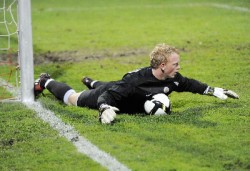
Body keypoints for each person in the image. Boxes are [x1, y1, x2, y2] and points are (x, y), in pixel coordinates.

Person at [34, 43, 239, 124]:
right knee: (73, 99)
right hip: (111, 93)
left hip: (120, 89)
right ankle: (46, 80)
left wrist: (214, 90)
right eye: (175, 64)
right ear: (161, 66)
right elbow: (109, 96)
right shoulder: (134, 82)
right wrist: (103, 108)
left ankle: (92, 81)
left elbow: (191, 85)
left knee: (112, 86)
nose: (179, 67)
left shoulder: (173, 78)